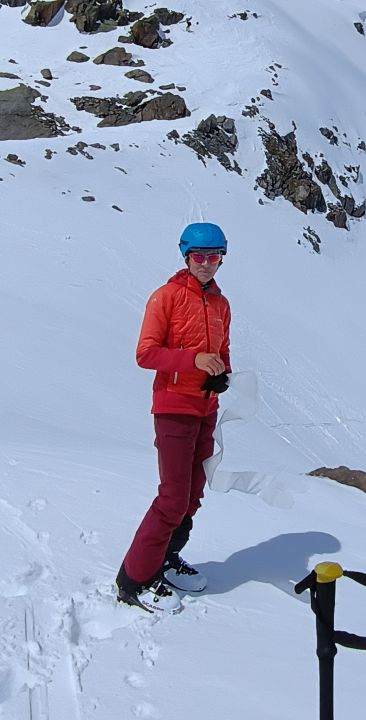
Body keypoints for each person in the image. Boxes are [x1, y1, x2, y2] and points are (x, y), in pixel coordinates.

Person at [116, 222, 231, 613]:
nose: (207, 263)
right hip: (173, 408)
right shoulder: (165, 297)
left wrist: (221, 375)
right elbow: (145, 353)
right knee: (172, 497)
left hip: (205, 410)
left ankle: (165, 558)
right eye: (199, 256)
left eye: (214, 256)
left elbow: (222, 351)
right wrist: (193, 360)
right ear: (186, 256)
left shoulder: (220, 304)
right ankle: (134, 579)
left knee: (193, 494)